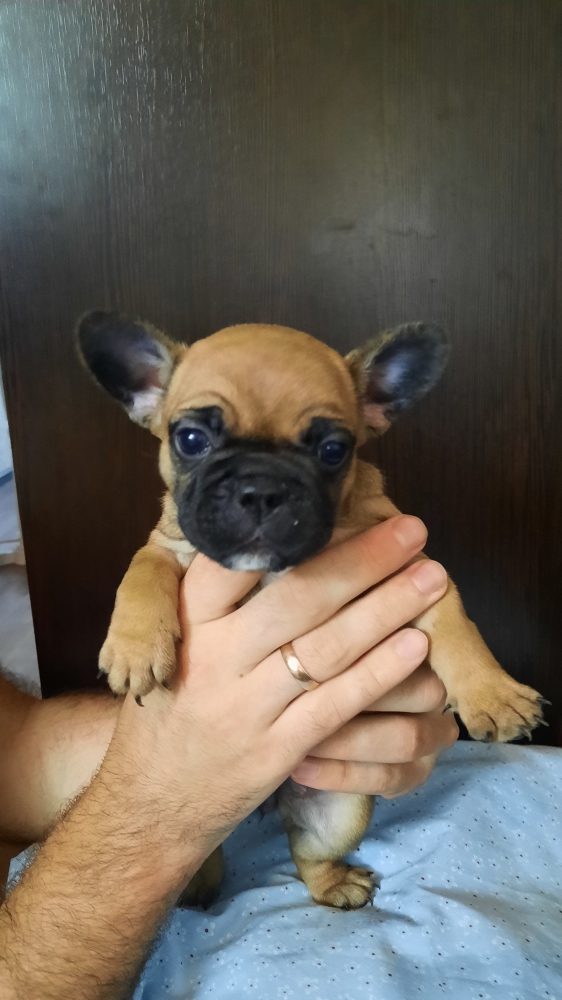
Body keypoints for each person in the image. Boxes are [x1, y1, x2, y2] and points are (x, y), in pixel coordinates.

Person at [0, 516, 457, 1000]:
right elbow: (159, 554)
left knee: (339, 819)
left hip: (310, 766)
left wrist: (193, 744)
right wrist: (152, 812)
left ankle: (317, 864)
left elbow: (18, 739)